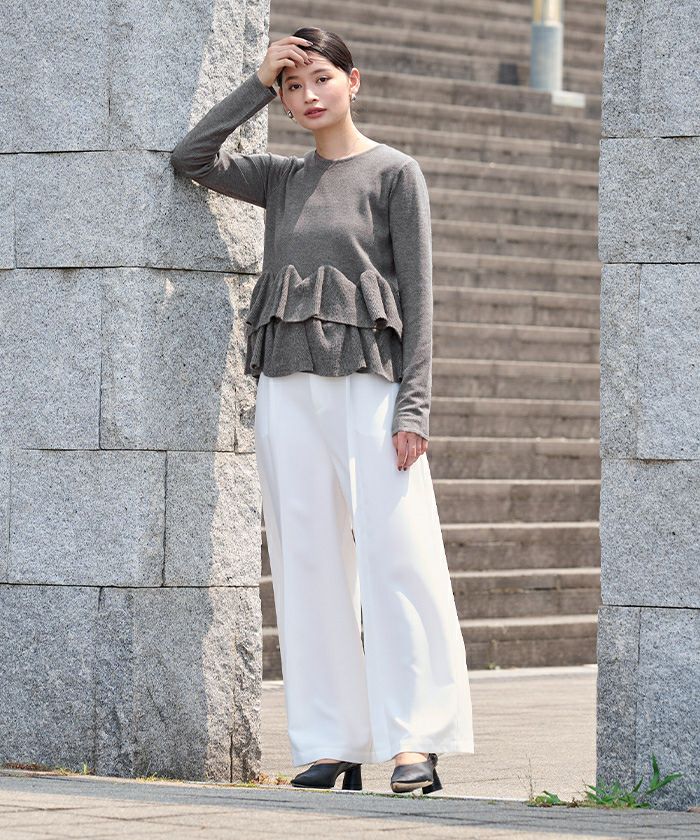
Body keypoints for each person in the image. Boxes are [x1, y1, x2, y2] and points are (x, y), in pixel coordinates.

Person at [171, 26, 475, 795]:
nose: (307, 96)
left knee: (399, 556)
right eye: (292, 86)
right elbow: (191, 158)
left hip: (372, 387)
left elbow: (419, 299)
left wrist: (415, 408)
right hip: (286, 387)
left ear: (353, 81)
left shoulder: (395, 173)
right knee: (307, 560)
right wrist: (254, 81)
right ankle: (334, 739)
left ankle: (415, 740)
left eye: (320, 80)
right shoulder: (280, 178)